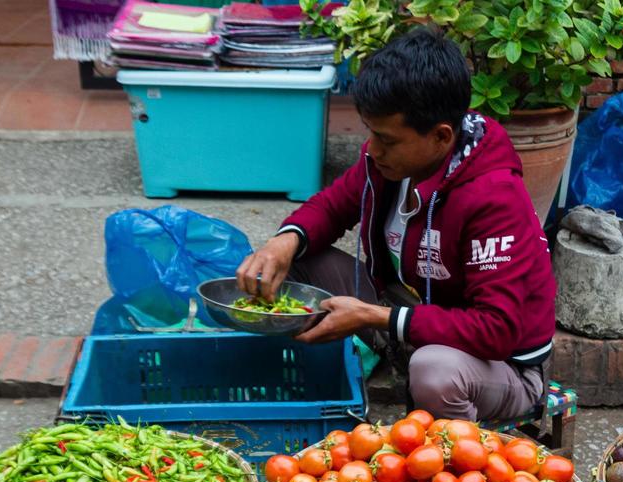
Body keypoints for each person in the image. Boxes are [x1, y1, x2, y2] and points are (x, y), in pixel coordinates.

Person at [236, 28, 556, 421]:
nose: (372, 148)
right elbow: (332, 208)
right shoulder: (389, 163)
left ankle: (454, 466)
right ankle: (308, 395)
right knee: (293, 261)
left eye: (386, 138)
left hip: (499, 366)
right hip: (410, 319)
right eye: (371, 133)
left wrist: (375, 317)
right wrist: (281, 243)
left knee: (434, 372)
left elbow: (496, 329)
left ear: (441, 137)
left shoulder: (493, 198)